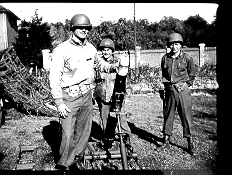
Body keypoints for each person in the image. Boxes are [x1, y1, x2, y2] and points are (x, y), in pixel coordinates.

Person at [49, 14, 119, 170]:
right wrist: (59, 102)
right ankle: (65, 164)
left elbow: (100, 63)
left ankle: (77, 159)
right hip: (69, 97)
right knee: (68, 134)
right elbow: (54, 78)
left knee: (83, 132)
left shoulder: (90, 48)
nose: (84, 30)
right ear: (73, 28)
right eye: (80, 27)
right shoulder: (62, 50)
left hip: (87, 95)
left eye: (87, 28)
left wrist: (114, 67)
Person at [160, 32, 196, 156]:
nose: (174, 47)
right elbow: (164, 73)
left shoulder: (187, 58)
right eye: (172, 44)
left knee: (186, 116)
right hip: (169, 90)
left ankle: (190, 142)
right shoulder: (165, 58)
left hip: (182, 90)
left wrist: (186, 85)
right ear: (169, 45)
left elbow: (192, 73)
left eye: (177, 44)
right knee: (168, 115)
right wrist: (164, 87)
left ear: (180, 45)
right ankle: (166, 141)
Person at [93, 38, 131, 149]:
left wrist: (126, 94)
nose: (106, 52)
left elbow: (125, 81)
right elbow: (94, 81)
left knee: (121, 117)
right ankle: (107, 139)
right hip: (103, 97)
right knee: (105, 118)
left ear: (112, 51)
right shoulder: (98, 65)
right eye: (104, 50)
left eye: (108, 50)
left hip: (117, 96)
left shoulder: (119, 63)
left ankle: (125, 138)